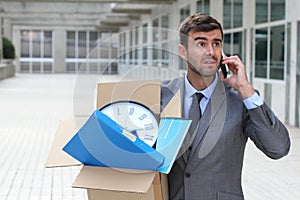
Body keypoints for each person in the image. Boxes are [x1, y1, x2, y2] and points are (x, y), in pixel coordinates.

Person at [160, 13, 290, 200]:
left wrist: (245, 89)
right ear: (183, 51)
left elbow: (278, 148)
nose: (211, 52)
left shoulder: (241, 100)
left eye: (216, 44)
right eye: (201, 44)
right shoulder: (161, 94)